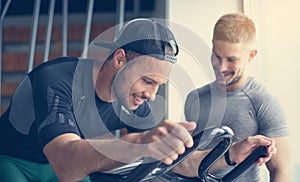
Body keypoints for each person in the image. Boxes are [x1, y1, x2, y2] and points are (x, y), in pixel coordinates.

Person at [0, 18, 276, 182]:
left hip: (53, 168)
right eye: (147, 81)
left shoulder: (137, 104)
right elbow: (65, 161)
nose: (151, 95)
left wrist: (229, 156)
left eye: (158, 85)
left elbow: (177, 162)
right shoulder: (56, 79)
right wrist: (138, 143)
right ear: (119, 59)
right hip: (11, 160)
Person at [182, 13, 290, 181]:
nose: (221, 67)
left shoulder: (263, 103)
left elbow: (280, 171)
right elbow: (187, 161)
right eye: (217, 56)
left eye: (231, 59)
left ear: (251, 55)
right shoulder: (195, 98)